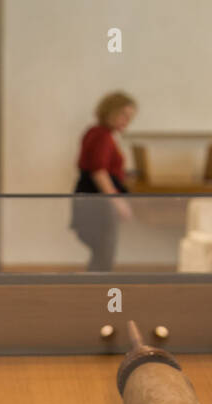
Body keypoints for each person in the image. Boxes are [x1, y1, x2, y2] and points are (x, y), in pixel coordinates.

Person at [71, 91, 137, 272]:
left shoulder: (101, 134)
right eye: (123, 115)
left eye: (130, 117)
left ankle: (97, 291)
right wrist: (118, 202)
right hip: (96, 202)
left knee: (103, 253)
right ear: (110, 111)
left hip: (94, 200)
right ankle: (98, 293)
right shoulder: (101, 135)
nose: (127, 121)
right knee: (104, 253)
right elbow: (98, 171)